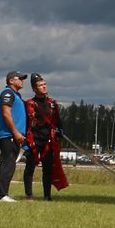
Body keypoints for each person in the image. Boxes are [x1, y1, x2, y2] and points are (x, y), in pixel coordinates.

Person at [22, 73, 65, 201]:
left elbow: (58, 120)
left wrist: (61, 131)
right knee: (30, 168)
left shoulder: (52, 103)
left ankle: (47, 196)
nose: (44, 87)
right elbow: (26, 122)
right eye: (40, 85)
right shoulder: (29, 103)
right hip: (33, 140)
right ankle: (29, 195)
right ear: (35, 89)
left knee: (47, 170)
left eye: (45, 84)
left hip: (48, 141)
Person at [0, 71, 27, 202]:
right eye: (19, 78)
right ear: (11, 81)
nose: (22, 81)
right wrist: (15, 132)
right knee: (8, 163)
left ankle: (3, 194)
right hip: (9, 135)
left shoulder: (16, 95)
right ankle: (2, 195)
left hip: (13, 135)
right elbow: (6, 113)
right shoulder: (7, 93)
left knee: (10, 163)